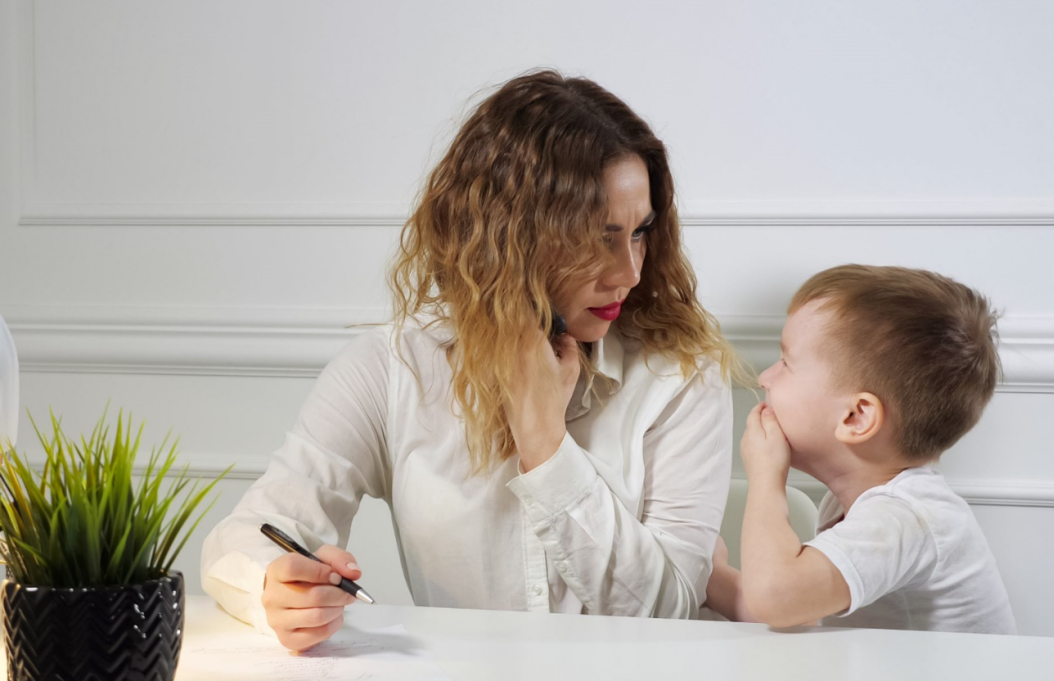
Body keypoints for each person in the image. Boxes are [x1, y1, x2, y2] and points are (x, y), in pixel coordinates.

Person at [202, 70, 741, 651]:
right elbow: (245, 536)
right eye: (599, 238)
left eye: (640, 233)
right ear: (510, 236)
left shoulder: (680, 371)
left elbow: (669, 609)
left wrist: (545, 444)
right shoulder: (392, 369)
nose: (630, 273)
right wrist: (273, 587)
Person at [706, 264, 1016, 634]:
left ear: (856, 417)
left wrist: (765, 476)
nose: (764, 378)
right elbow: (798, 612)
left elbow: (776, 598)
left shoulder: (907, 519)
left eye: (786, 363)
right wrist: (711, 575)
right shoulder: (857, 505)